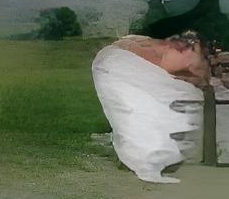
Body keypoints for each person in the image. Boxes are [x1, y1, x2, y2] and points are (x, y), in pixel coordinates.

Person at [89, 30, 209, 182]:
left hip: (116, 64)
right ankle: (150, 151)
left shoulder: (184, 55)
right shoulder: (151, 48)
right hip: (117, 64)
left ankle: (149, 149)